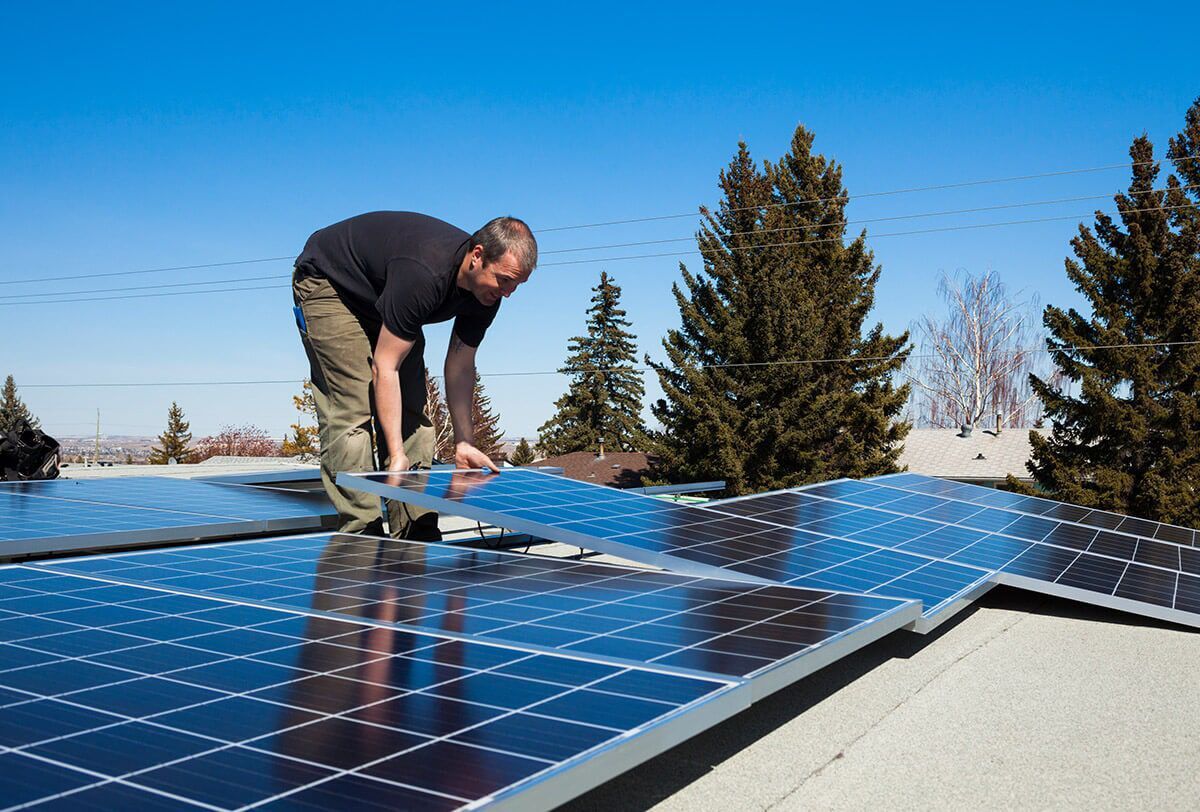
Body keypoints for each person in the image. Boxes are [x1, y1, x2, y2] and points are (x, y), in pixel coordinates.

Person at [292, 211, 536, 539]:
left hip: (384, 296)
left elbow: (460, 367)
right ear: (477, 256)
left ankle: (414, 531)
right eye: (504, 280)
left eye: (517, 285)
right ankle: (363, 533)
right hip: (332, 282)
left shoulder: (486, 295)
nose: (508, 293)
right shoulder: (425, 273)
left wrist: (464, 442)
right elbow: (385, 367)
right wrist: (395, 453)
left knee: (416, 417)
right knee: (352, 411)